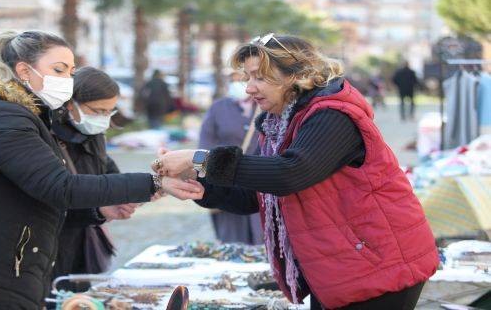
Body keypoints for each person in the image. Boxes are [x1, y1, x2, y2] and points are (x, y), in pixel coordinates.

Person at [153, 34, 438, 309]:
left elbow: (288, 174)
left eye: (260, 77)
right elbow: (258, 194)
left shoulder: (332, 114)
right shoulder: (279, 123)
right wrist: (200, 186)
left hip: (378, 264)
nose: (249, 88)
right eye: (247, 77)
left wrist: (200, 158)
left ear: (295, 75)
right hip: (336, 266)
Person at [0, 30, 202, 309]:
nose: (67, 80)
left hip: (8, 270)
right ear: (24, 70)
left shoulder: (22, 115)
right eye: (58, 70)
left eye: (71, 71)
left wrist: (103, 207)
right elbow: (58, 186)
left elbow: (45, 191)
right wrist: (155, 183)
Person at [50, 67, 141, 292]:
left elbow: (109, 173)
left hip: (81, 246)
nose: (102, 119)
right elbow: (60, 194)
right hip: (51, 250)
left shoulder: (94, 135)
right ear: (71, 104)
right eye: (97, 111)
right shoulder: (45, 137)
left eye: (109, 112)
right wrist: (100, 209)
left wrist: (143, 189)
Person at [199, 71, 263, 245]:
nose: (237, 84)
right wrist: (204, 172)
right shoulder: (218, 107)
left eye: (241, 80)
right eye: (233, 80)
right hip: (227, 178)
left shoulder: (265, 105)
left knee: (263, 232)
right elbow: (205, 143)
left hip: (260, 177)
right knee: (232, 237)